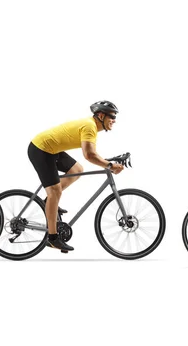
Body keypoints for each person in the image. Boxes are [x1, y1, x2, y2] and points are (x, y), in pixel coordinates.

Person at [27, 100, 124, 252]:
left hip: (51, 149)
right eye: (111, 116)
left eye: (115, 117)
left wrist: (108, 162)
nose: (114, 120)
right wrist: (110, 166)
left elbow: (91, 154)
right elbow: (89, 154)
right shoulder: (90, 127)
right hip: (41, 149)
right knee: (55, 191)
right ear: (100, 115)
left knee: (76, 169)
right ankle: (52, 238)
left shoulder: (91, 126)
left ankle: (49, 203)